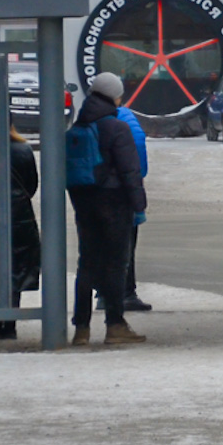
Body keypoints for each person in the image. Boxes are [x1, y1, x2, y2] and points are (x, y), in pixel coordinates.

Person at [68, 72, 147, 345]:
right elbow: (130, 172)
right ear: (115, 96)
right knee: (115, 264)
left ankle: (81, 329)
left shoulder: (79, 125)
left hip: (84, 201)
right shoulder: (116, 127)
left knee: (86, 263)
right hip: (113, 202)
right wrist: (139, 206)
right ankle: (115, 325)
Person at [0, 126, 40, 341]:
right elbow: (31, 184)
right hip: (20, 215)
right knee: (16, 268)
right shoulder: (23, 149)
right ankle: (10, 324)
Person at [116, 104, 152, 313]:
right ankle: (126, 293)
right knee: (126, 242)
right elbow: (137, 141)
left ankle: (102, 293)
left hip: (90, 193)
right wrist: (138, 174)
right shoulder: (124, 116)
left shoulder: (87, 117)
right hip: (121, 189)